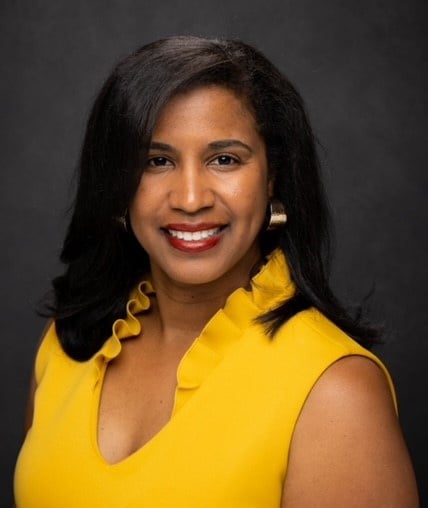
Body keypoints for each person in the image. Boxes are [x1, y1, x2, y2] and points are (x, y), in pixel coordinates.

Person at [14, 36, 419, 507]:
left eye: (224, 159)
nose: (190, 199)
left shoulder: (336, 392)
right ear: (117, 182)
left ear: (272, 176)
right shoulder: (66, 340)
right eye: (156, 161)